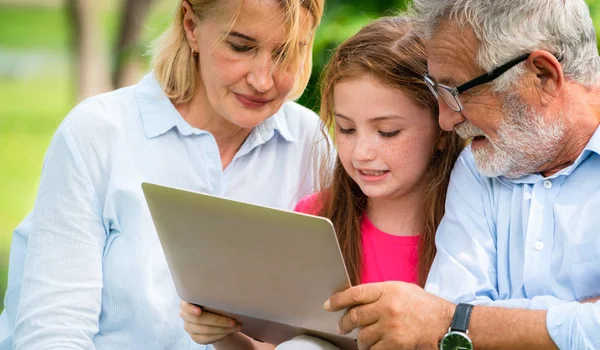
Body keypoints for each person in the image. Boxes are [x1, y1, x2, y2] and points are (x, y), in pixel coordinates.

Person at [0, 0, 326, 348]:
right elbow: (52, 331)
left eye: (287, 51)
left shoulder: (310, 145)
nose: (263, 80)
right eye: (240, 47)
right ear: (191, 25)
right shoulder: (99, 134)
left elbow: (325, 326)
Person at [313, 0, 600, 349]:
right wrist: (579, 318)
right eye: (438, 92)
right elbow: (447, 318)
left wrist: (455, 321)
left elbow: (443, 322)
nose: (446, 120)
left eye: (458, 92)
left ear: (542, 75)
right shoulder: (480, 166)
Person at [180, 15, 463, 349]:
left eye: (388, 132)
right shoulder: (317, 218)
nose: (361, 153)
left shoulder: (471, 225)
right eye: (345, 129)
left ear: (443, 128)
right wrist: (223, 333)